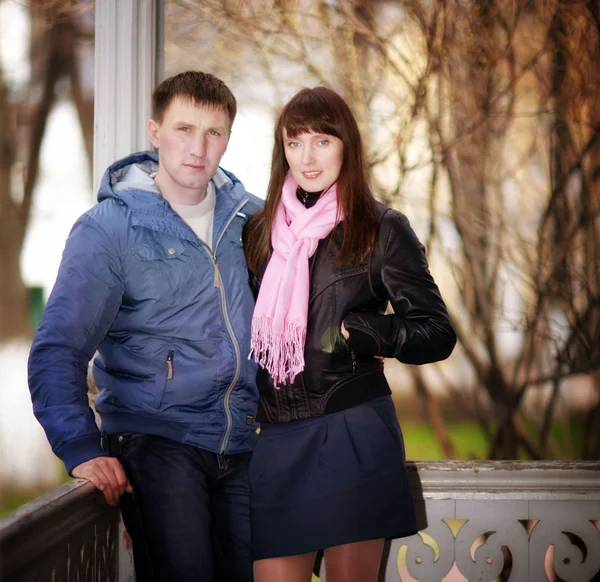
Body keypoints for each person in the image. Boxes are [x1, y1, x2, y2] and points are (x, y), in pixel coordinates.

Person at [28, 71, 262, 582]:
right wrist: (80, 448)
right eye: (184, 129)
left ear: (227, 138)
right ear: (155, 132)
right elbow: (59, 349)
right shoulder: (109, 229)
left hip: (245, 441)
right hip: (158, 440)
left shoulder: (253, 222)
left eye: (214, 133)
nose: (198, 147)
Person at [243, 86, 457, 582]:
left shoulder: (381, 227)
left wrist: (368, 332)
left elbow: (436, 331)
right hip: (276, 436)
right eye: (295, 143)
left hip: (350, 429)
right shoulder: (257, 232)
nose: (307, 157)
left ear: (347, 146)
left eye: (322, 140)